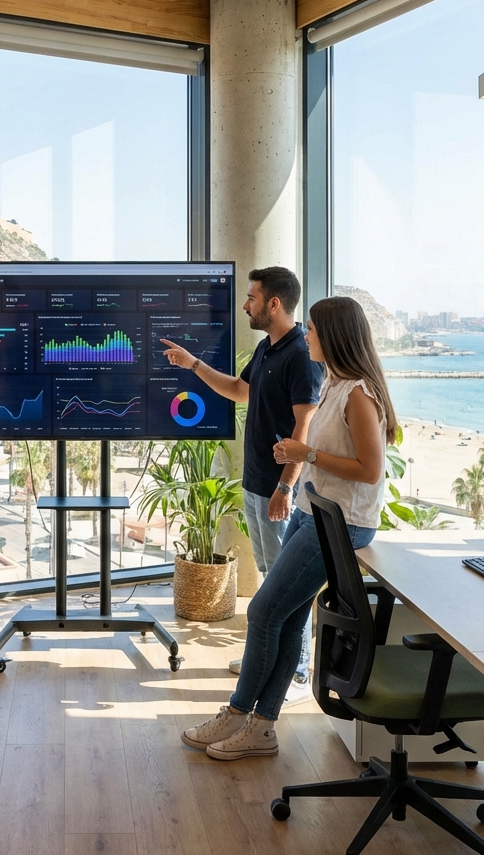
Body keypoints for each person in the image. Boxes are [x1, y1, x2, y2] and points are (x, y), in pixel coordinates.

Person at [180, 295, 396, 760]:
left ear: (333, 336)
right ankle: (261, 727)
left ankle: (239, 713)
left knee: (261, 613)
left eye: (314, 329)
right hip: (313, 512)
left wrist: (307, 456)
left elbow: (370, 470)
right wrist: (300, 461)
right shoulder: (336, 385)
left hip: (342, 525)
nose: (308, 335)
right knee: (289, 616)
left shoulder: (359, 394)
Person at [161, 266, 322, 690]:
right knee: (271, 576)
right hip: (256, 483)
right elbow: (238, 389)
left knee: (285, 585)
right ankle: (269, 660)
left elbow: (305, 428)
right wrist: (193, 364)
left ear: (273, 303)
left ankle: (296, 670)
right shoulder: (268, 349)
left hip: (279, 489)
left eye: (251, 297)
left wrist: (286, 486)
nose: (245, 305)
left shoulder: (301, 356)